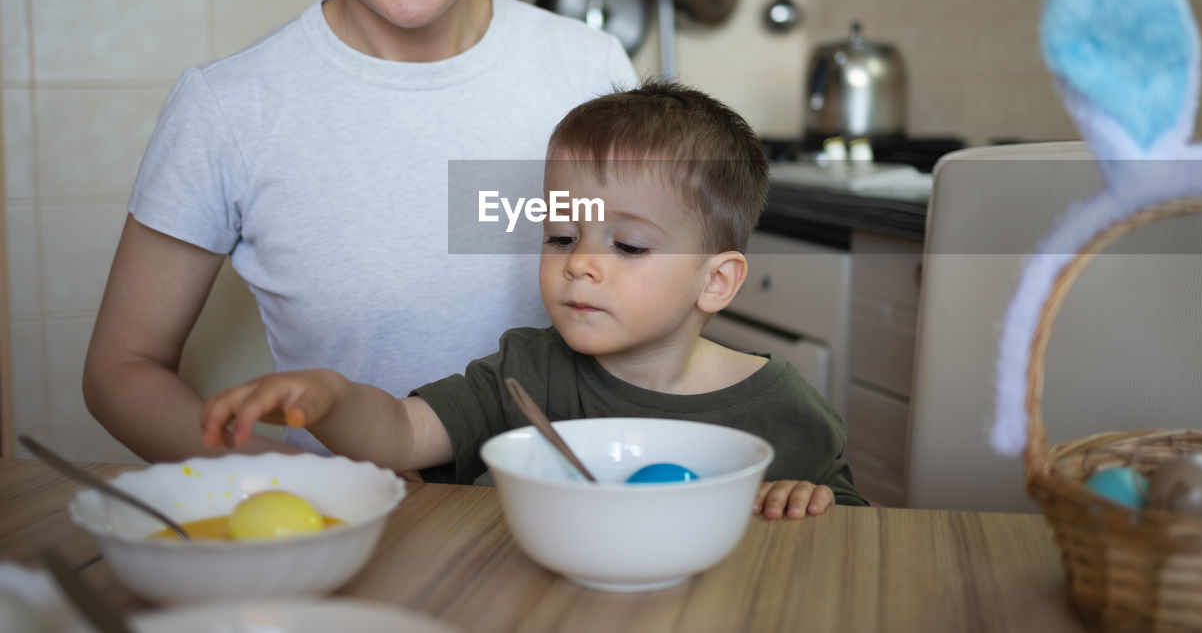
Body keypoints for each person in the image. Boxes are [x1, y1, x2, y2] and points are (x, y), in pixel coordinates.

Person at [83, 0, 637, 462]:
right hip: (350, 542)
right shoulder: (230, 107)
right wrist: (299, 485)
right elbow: (122, 369)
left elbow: (662, 318)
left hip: (573, 520)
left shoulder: (591, 71)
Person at [201, 82, 868, 518]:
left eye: (628, 246)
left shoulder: (785, 411)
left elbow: (855, 531)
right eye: (561, 234)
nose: (579, 263)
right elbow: (401, 432)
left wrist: (808, 501)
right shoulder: (526, 373)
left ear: (715, 281)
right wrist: (327, 396)